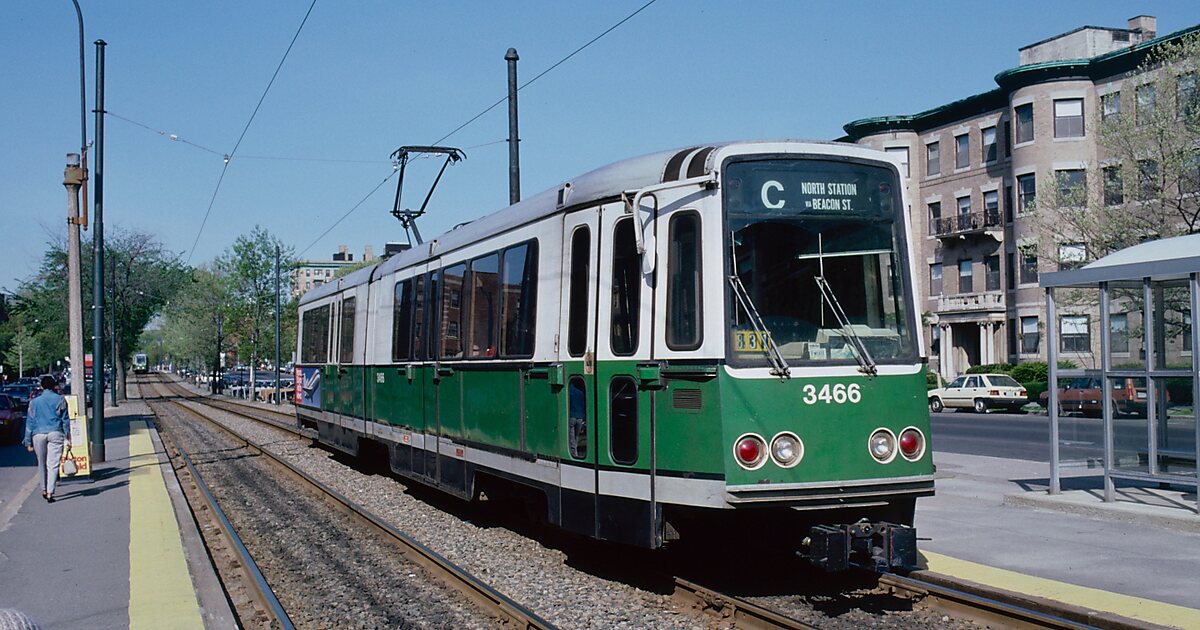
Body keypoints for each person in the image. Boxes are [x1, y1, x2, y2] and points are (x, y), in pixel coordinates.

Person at [23, 375, 70, 503]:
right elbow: (65, 421)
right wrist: (68, 437)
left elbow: (30, 422)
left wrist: (28, 441)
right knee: (53, 464)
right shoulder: (60, 400)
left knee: (41, 462)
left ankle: (43, 489)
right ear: (54, 386)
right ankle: (50, 492)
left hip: (38, 434)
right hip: (55, 432)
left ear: (42, 387)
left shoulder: (34, 402)